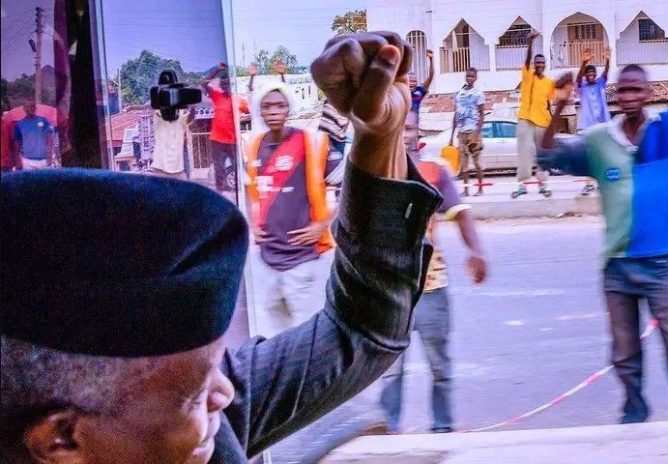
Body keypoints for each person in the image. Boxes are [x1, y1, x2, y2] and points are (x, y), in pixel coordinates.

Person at [1, 32, 443, 464]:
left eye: (218, 368)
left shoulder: (174, 408)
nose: (228, 393)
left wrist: (379, 135)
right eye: (195, 397)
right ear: (61, 439)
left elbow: (361, 332)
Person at [538, 65, 668, 424]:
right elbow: (546, 156)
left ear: (648, 93)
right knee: (624, 353)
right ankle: (634, 414)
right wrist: (559, 105)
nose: (628, 97)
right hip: (618, 266)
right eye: (623, 90)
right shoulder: (599, 140)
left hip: (661, 264)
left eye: (636, 90)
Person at [381, 110, 488, 434]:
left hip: (431, 285)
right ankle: (390, 433)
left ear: (418, 133)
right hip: (390, 291)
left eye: (410, 128)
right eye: (399, 129)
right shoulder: (376, 173)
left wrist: (476, 251)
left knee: (439, 366)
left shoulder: (433, 171)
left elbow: (461, 213)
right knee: (390, 370)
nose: (405, 134)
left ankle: (442, 428)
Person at [245, 81, 335, 338]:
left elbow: (346, 187)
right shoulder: (254, 146)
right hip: (267, 261)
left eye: (280, 105)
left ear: (288, 109)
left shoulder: (311, 143)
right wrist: (253, 223)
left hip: (303, 261)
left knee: (308, 338)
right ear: (260, 111)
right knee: (275, 338)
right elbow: (251, 190)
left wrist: (323, 224)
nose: (274, 111)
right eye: (267, 106)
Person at [513, 32, 555, 198]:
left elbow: (548, 103)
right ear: (534, 64)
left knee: (542, 154)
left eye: (542, 63)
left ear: (545, 65)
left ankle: (543, 185)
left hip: (542, 120)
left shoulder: (549, 82)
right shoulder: (527, 75)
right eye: (537, 62)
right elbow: (527, 60)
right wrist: (530, 43)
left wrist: (552, 123)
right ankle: (522, 186)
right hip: (525, 117)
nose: (540, 65)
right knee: (523, 151)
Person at [204, 62, 250, 195]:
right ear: (221, 86)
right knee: (218, 165)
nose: (225, 86)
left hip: (232, 140)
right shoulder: (217, 96)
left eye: (227, 84)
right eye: (222, 84)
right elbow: (204, 84)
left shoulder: (239, 100)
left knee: (237, 164)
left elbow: (250, 112)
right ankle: (221, 188)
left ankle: (239, 186)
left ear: (231, 85)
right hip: (216, 139)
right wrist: (217, 70)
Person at [576, 47, 612, 196]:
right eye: (588, 73)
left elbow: (606, 73)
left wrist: (608, 60)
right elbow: (578, 79)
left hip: (602, 124)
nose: (591, 75)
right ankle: (589, 184)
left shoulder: (600, 83)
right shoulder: (582, 87)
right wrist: (583, 63)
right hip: (588, 126)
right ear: (586, 75)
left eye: (593, 73)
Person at [449, 67, 485, 196]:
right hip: (461, 132)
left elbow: (482, 115)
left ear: (475, 78)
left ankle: (480, 189)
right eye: (468, 76)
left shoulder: (478, 94)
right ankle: (466, 190)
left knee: (477, 162)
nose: (469, 78)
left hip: (473, 131)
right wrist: (451, 136)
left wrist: (477, 134)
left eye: (472, 76)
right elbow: (456, 114)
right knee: (464, 164)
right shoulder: (459, 93)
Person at [12, 100, 54, 170]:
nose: (32, 108)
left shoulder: (43, 120)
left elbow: (49, 139)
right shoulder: (19, 124)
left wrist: (49, 156)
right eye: (29, 106)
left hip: (43, 160)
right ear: (24, 109)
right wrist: (17, 160)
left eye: (33, 106)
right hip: (27, 161)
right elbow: (17, 143)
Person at [409, 49, 434, 117]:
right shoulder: (403, 92)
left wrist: (431, 60)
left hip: (415, 122)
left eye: (414, 81)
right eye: (409, 81)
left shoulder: (419, 91)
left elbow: (430, 77)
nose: (411, 83)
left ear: (417, 83)